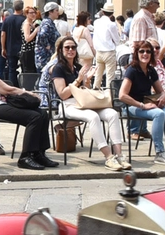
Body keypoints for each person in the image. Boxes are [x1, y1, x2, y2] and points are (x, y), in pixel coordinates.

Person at [45, 34, 129, 170]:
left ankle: (119, 155)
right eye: (67, 48)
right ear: (61, 50)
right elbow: (62, 94)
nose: (71, 50)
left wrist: (88, 80)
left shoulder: (78, 67)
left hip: (84, 102)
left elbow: (86, 91)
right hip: (68, 105)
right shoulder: (58, 68)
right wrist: (78, 80)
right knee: (93, 117)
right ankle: (109, 157)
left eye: (73, 47)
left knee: (112, 114)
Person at [0, 47, 55, 170]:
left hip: (3, 105)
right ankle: (25, 157)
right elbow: (7, 89)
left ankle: (38, 153)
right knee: (34, 117)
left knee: (42, 113)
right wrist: (29, 93)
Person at [118, 40, 165, 167]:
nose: (145, 54)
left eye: (148, 51)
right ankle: (159, 153)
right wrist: (142, 105)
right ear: (136, 53)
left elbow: (161, 91)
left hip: (147, 104)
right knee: (159, 114)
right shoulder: (132, 70)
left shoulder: (151, 70)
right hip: (131, 106)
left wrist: (164, 95)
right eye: (142, 51)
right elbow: (122, 95)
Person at [91, 3, 123, 90]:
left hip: (99, 51)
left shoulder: (96, 22)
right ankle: (109, 96)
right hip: (109, 51)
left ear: (103, 11)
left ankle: (95, 92)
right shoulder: (111, 24)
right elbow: (117, 40)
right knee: (110, 77)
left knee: (98, 75)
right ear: (112, 13)